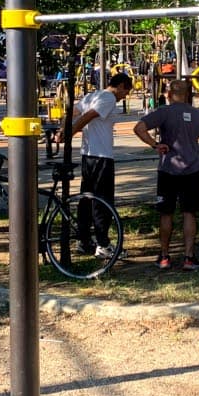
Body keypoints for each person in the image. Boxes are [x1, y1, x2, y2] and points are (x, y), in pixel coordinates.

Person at [58, 71, 134, 259]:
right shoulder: (108, 98)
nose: (124, 97)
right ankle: (103, 243)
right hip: (101, 156)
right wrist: (70, 133)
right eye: (126, 92)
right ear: (122, 85)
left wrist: (63, 127)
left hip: (88, 155)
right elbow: (87, 117)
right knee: (103, 200)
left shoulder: (92, 95)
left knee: (87, 198)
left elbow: (72, 112)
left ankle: (83, 240)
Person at [134, 79, 199, 271]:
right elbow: (196, 136)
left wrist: (154, 144)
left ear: (168, 94)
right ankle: (189, 257)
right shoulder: (198, 114)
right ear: (188, 95)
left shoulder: (163, 112)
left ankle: (164, 256)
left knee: (166, 212)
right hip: (191, 168)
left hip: (168, 169)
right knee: (189, 213)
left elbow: (139, 128)